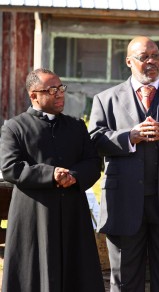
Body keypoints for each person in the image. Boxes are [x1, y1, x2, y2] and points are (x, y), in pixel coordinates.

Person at [88, 36, 159, 292]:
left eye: (156, 55)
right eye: (143, 57)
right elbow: (95, 139)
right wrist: (130, 137)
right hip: (124, 202)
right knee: (125, 280)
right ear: (128, 61)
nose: (151, 61)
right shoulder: (106, 99)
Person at [0, 68, 105, 292]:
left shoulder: (76, 126)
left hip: (72, 213)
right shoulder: (15, 127)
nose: (59, 94)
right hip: (33, 214)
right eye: (52, 90)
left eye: (61, 88)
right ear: (34, 95)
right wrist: (51, 174)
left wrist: (73, 177)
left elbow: (93, 163)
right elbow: (11, 167)